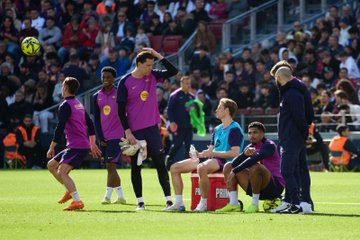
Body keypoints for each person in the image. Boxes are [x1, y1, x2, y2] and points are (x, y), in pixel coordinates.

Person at [117, 48, 178, 210]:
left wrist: (158, 55)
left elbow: (173, 71)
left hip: (152, 128)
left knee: (160, 163)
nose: (150, 68)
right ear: (138, 64)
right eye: (147, 65)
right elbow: (120, 109)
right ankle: (140, 202)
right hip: (135, 131)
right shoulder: (125, 81)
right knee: (136, 166)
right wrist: (127, 131)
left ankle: (168, 200)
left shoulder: (152, 75)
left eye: (152, 65)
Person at [166, 98, 244, 211]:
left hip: (226, 162)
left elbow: (235, 153)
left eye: (219, 108)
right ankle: (179, 203)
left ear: (226, 110)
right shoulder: (217, 129)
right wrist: (199, 154)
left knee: (201, 167)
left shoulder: (234, 128)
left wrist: (212, 153)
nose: (216, 110)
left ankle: (203, 203)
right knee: (174, 168)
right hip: (213, 160)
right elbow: (210, 151)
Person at [46, 77, 101, 211]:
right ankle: (68, 191)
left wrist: (52, 147)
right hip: (77, 145)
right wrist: (92, 144)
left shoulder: (65, 105)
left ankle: (77, 201)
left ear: (65, 88)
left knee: (62, 171)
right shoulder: (78, 103)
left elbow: (59, 127)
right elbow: (90, 124)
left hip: (77, 146)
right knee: (51, 165)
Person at [270, 63, 314, 213]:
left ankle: (296, 203)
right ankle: (290, 201)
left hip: (292, 138)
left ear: (279, 77)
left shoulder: (292, 94)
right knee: (296, 170)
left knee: (287, 171)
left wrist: (304, 134)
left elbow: (300, 117)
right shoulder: (293, 91)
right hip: (290, 137)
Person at [218, 122, 284, 213]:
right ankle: (234, 203)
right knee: (228, 166)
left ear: (262, 133)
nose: (252, 135)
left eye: (255, 132)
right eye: (250, 133)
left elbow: (255, 159)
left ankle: (254, 204)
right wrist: (244, 154)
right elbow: (234, 163)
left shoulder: (269, 145)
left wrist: (235, 171)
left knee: (255, 166)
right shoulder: (250, 146)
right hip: (258, 187)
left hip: (275, 187)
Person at [93, 66, 126, 205]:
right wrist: (100, 137)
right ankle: (121, 197)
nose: (105, 79)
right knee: (109, 166)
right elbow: (96, 118)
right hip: (103, 136)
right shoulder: (95, 96)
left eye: (108, 77)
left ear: (113, 78)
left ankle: (107, 196)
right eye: (103, 77)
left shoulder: (120, 93)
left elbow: (126, 113)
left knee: (110, 165)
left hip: (117, 135)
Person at [166, 76, 195, 168]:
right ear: (181, 83)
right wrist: (172, 122)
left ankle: (187, 165)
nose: (188, 85)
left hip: (189, 126)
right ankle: (169, 159)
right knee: (177, 144)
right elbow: (169, 110)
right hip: (178, 125)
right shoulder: (175, 95)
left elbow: (194, 111)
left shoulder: (192, 96)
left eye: (189, 83)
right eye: (186, 83)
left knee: (188, 146)